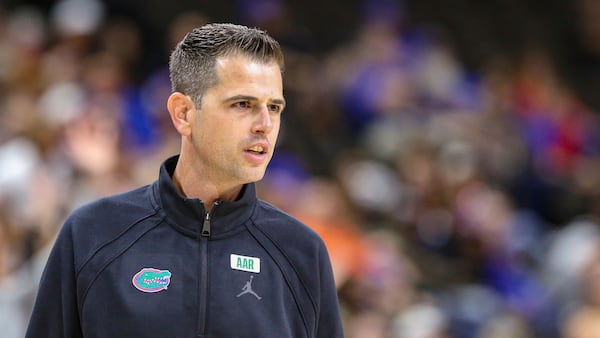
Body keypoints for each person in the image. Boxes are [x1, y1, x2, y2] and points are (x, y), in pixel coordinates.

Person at [25, 23, 344, 338]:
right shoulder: (92, 233)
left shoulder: (302, 252)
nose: (265, 124)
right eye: (243, 104)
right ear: (183, 114)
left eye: (274, 108)